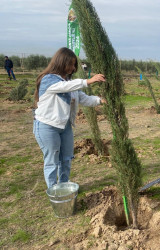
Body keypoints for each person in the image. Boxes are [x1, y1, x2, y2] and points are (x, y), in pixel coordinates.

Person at [33, 47, 106, 188]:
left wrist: (99, 100)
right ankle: (54, 191)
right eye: (71, 64)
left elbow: (83, 98)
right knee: (52, 160)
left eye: (74, 65)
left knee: (66, 159)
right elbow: (64, 87)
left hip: (65, 127)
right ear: (61, 62)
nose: (73, 68)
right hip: (48, 126)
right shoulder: (48, 79)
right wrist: (88, 81)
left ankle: (64, 186)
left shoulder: (68, 82)